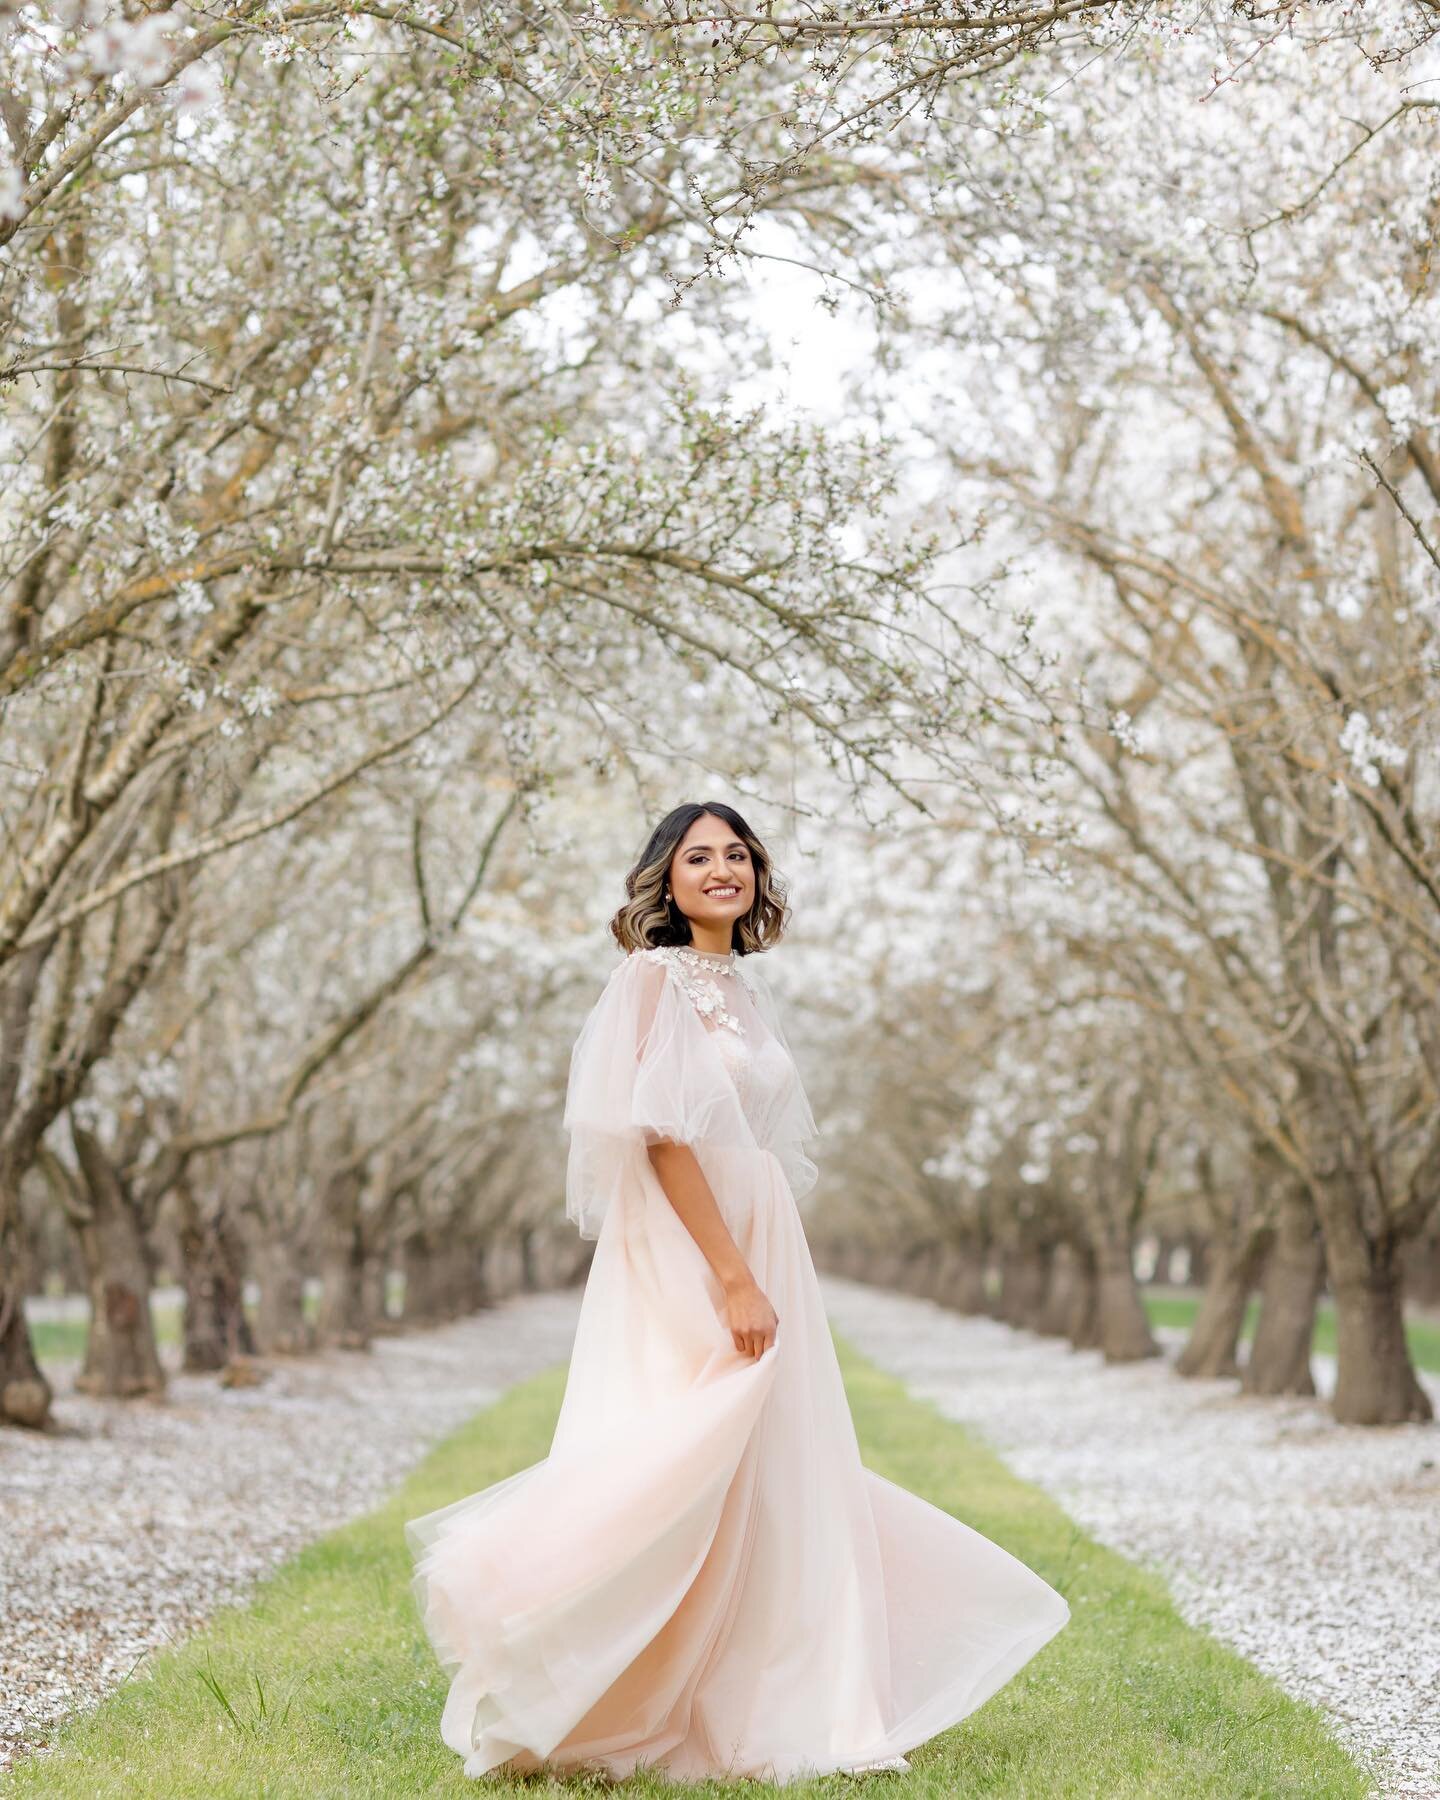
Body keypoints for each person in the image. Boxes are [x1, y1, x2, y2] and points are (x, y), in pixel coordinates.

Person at [404, 800, 1070, 1784]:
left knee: (770, 1459)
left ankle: (775, 1692)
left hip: (759, 1228)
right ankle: (537, 1617)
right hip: (693, 1244)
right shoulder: (649, 978)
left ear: (756, 874)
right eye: (698, 856)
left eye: (737, 855)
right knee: (685, 1447)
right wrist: (730, 1276)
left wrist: (762, 1258)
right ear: (663, 880)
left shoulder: (741, 987)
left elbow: (750, 1130)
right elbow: (663, 1138)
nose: (722, 869)